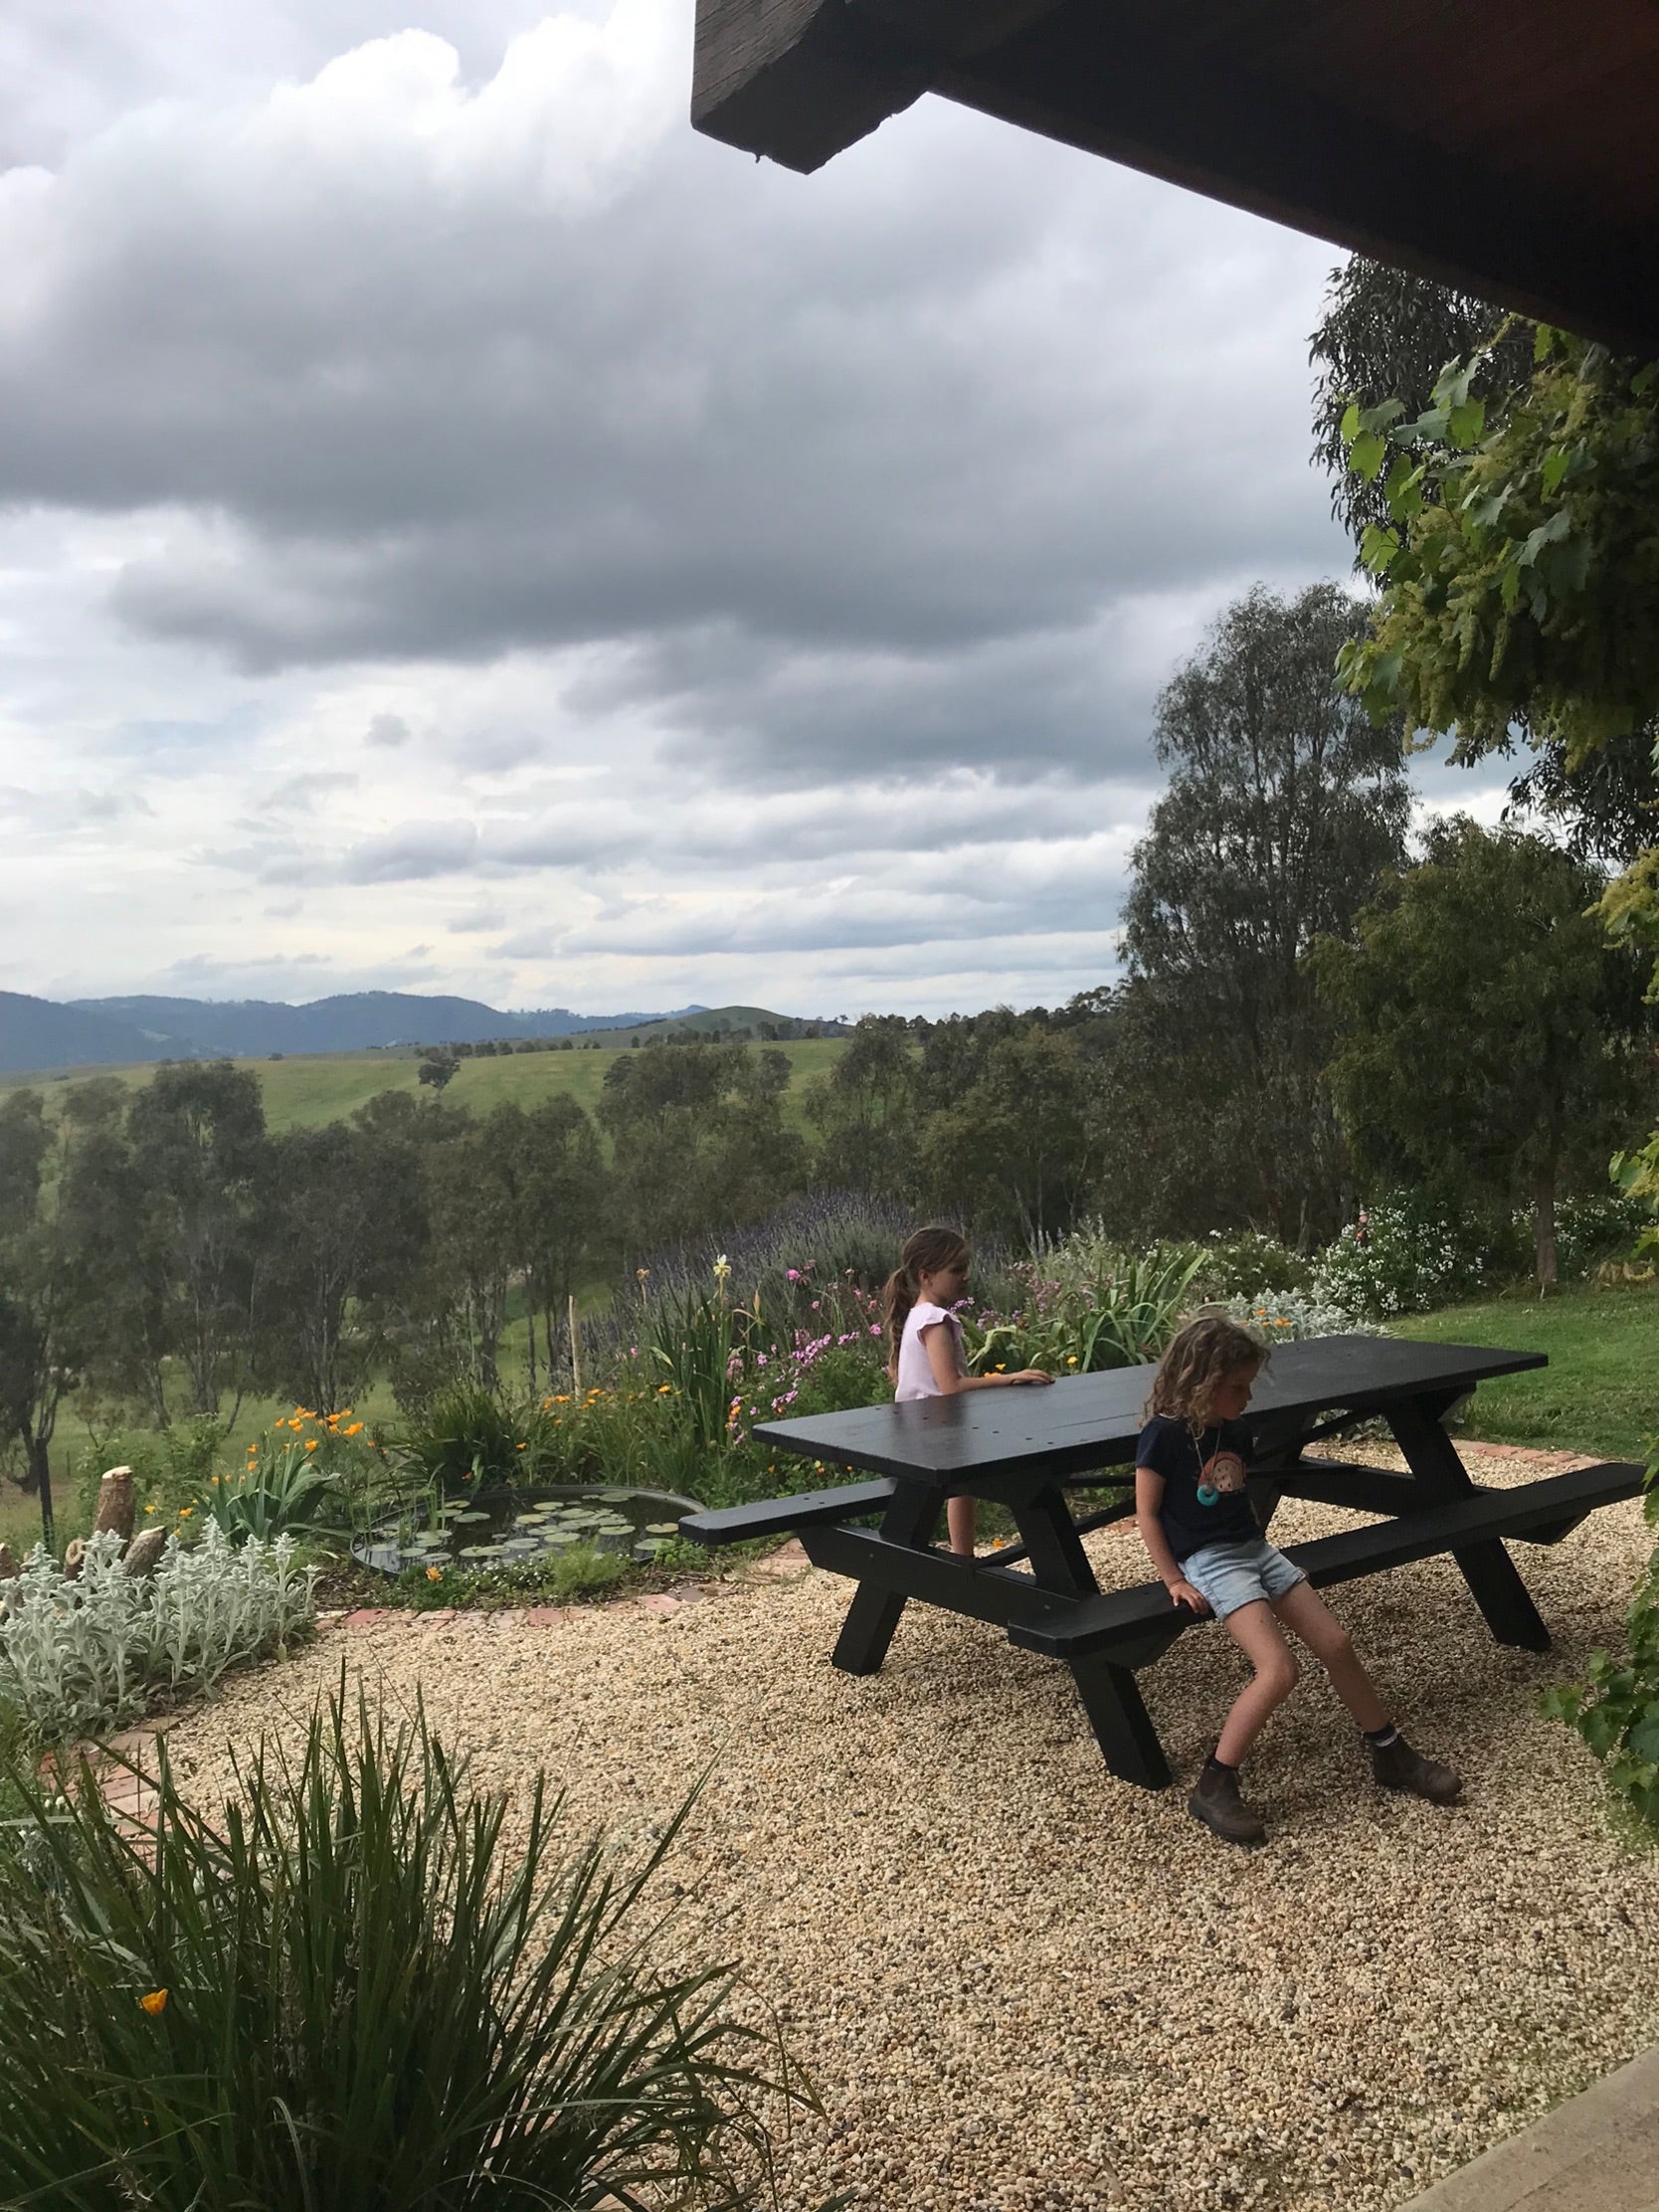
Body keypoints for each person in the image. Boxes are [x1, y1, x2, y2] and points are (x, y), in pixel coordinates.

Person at [1134, 1313, 1461, 1846]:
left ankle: (1389, 1752)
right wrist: (1173, 1578)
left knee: (1336, 1643)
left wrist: (1256, 1551)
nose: (1246, 1398)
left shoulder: (1235, 1429)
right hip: (1211, 1562)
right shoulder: (1163, 1437)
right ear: (1201, 1384)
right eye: (1236, 1388)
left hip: (1253, 1549)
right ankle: (1215, 1783)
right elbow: (1146, 1513)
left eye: (1247, 1386)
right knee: (1279, 1669)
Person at [883, 1224, 1052, 1559]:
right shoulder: (933, 1319)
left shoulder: (919, 1315)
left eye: (965, 1268)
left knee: (966, 1486)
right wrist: (1009, 1377)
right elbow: (952, 1387)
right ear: (926, 1276)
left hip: (921, 1431)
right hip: (930, 1434)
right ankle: (966, 1560)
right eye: (956, 1270)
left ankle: (964, 1559)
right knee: (1019, 1464)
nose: (966, 1276)